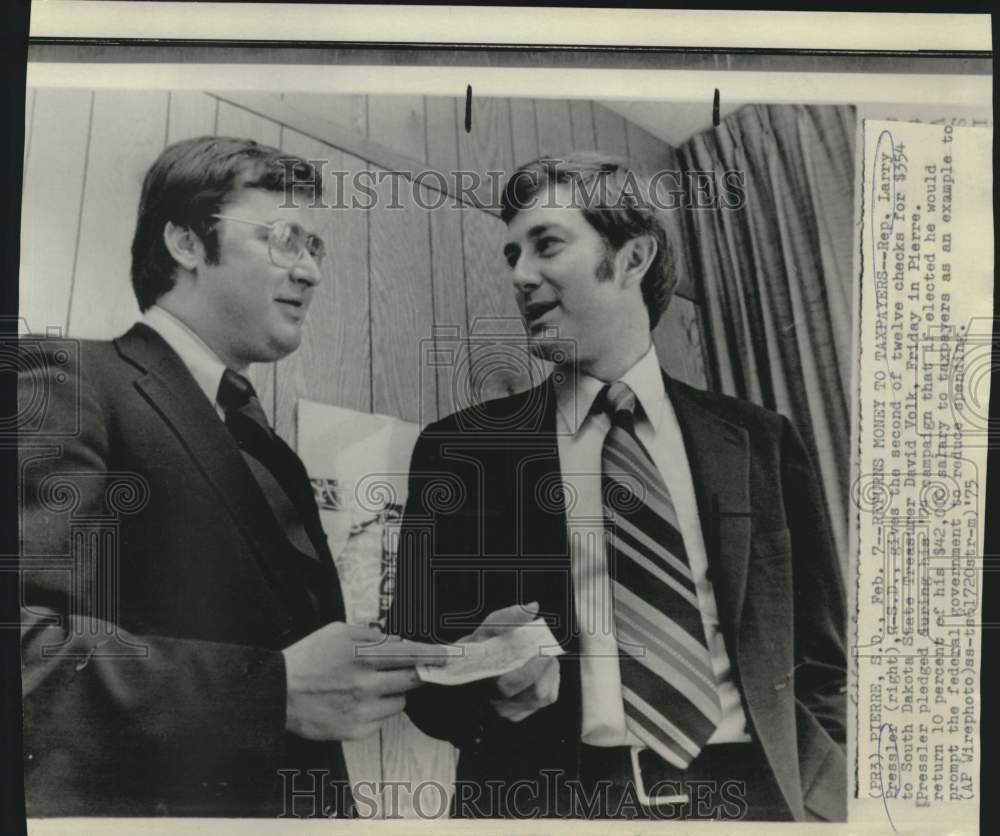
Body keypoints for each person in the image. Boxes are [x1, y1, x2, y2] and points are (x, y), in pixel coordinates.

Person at [389, 153, 847, 821]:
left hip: (753, 801)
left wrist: (827, 804)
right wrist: (486, 687)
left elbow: (823, 663)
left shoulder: (761, 443)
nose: (519, 276)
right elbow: (419, 674)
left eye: (546, 244)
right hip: (554, 807)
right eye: (512, 254)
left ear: (632, 259)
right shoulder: (463, 451)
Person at [18, 135, 445, 817]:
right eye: (283, 239)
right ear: (187, 244)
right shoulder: (69, 379)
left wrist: (473, 666)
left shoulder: (270, 449)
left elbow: (310, 661)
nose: (309, 271)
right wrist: (264, 691)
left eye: (315, 248)